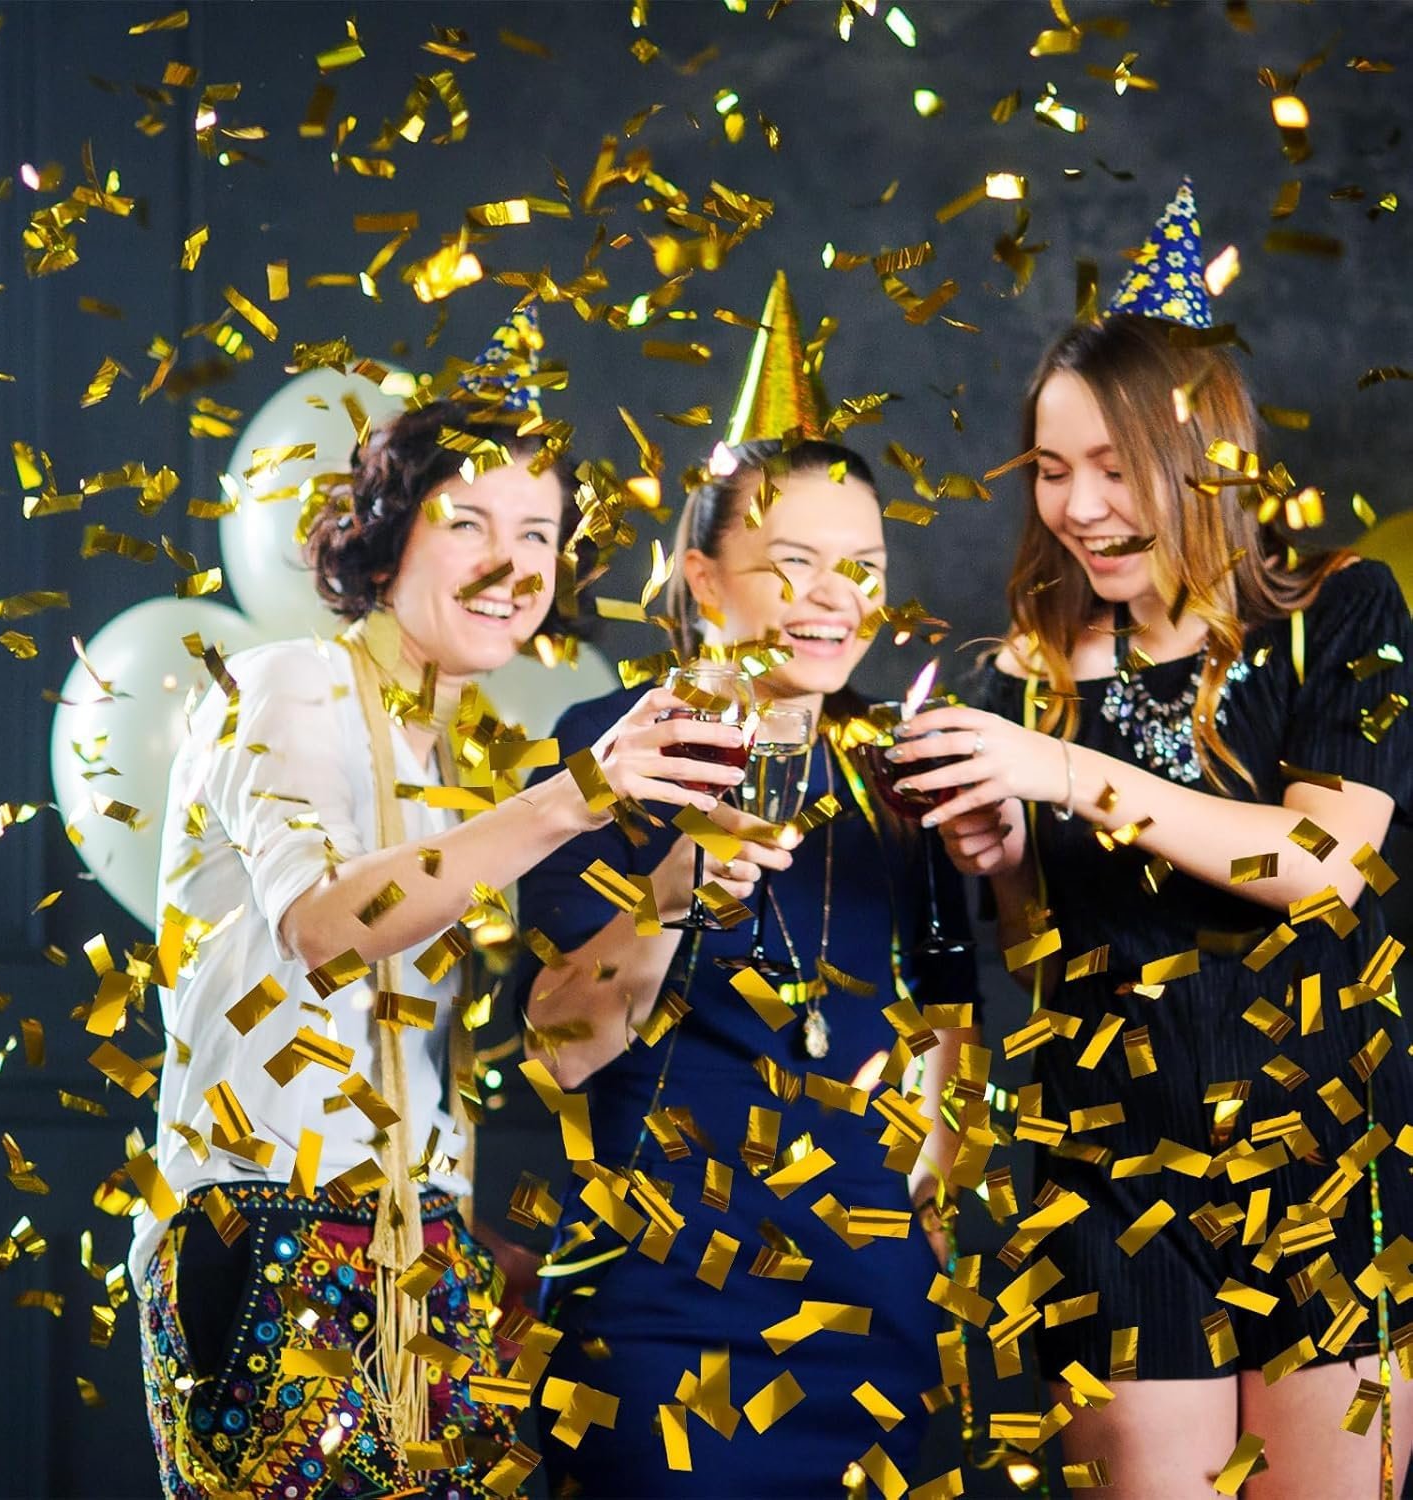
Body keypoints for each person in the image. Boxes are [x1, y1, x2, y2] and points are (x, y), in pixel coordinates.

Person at [129, 311, 750, 1500]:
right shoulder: (288, 683)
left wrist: (462, 1236)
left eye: (538, 533)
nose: (510, 564)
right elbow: (322, 927)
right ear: (385, 540)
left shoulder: (464, 759)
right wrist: (579, 794)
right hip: (266, 1234)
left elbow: (479, 1043)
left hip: (428, 1260)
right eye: (468, 523)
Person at [895, 184, 1413, 1497]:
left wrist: (1064, 774)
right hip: (1110, 1182)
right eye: (1052, 468)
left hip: (1321, 1163)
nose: (1078, 506)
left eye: (1115, 467)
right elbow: (1037, 955)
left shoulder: (1344, 614)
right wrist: (999, 856)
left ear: (1205, 456)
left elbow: (1320, 864)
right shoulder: (1024, 677)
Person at [513, 273, 981, 1497]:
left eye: (864, 566)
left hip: (869, 1310)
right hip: (663, 1309)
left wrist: (928, 1199)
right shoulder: (612, 748)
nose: (838, 599)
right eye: (794, 563)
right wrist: (680, 878)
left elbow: (951, 1009)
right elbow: (562, 1045)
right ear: (704, 577)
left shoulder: (899, 770)